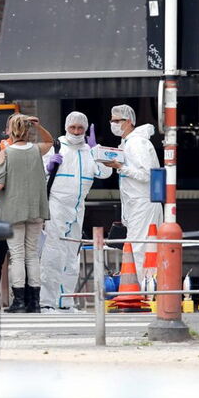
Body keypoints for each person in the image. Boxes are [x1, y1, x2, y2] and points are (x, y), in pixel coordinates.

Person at [40, 112, 112, 312]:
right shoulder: (56, 147)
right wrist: (48, 166)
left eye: (80, 128)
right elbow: (39, 175)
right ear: (66, 127)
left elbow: (105, 172)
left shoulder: (88, 151)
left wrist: (97, 151)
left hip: (78, 208)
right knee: (53, 255)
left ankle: (66, 302)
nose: (77, 131)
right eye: (73, 128)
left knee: (72, 257)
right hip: (56, 206)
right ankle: (47, 302)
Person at [0, 114, 53, 313]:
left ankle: (18, 301)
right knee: (32, 255)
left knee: (17, 255)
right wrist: (39, 125)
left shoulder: (6, 152)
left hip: (13, 210)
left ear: (11, 130)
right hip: (35, 209)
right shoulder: (37, 150)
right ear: (28, 130)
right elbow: (50, 141)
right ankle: (34, 302)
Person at [103, 104, 163, 282]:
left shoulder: (137, 143)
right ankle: (146, 290)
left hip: (143, 204)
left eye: (116, 120)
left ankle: (146, 292)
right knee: (139, 249)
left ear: (128, 122)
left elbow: (147, 175)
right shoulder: (128, 143)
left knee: (140, 250)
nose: (112, 123)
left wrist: (121, 168)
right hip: (136, 205)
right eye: (111, 120)